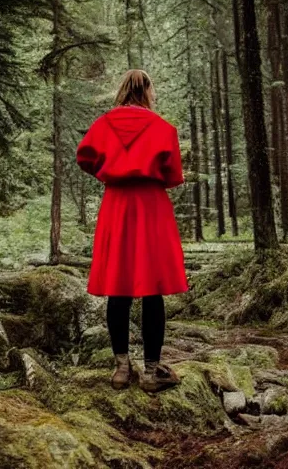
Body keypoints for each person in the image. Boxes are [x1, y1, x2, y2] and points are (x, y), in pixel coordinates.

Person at [76, 69, 188, 392]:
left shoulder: (104, 124)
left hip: (117, 206)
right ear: (145, 90)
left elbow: (84, 156)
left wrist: (108, 171)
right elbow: (173, 175)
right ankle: (152, 372)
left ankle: (122, 369)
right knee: (153, 289)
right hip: (151, 207)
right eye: (153, 90)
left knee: (118, 286)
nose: (155, 96)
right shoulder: (163, 128)